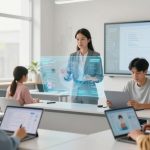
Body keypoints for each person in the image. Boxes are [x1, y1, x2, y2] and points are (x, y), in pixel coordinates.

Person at [63, 28, 103, 104]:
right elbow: (67, 77)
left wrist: (91, 78)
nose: (79, 42)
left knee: (89, 115)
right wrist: (64, 74)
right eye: (77, 39)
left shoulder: (95, 56)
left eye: (82, 39)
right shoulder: (72, 56)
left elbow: (100, 77)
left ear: (88, 40)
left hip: (90, 94)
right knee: (75, 116)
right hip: (75, 94)